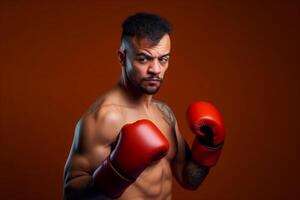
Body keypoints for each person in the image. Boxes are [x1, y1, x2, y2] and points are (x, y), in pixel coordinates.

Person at [63, 12, 225, 200]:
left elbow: (189, 179)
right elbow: (71, 194)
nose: (155, 69)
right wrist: (115, 173)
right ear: (122, 57)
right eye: (144, 59)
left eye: (163, 59)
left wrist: (208, 147)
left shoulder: (164, 114)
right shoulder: (105, 117)